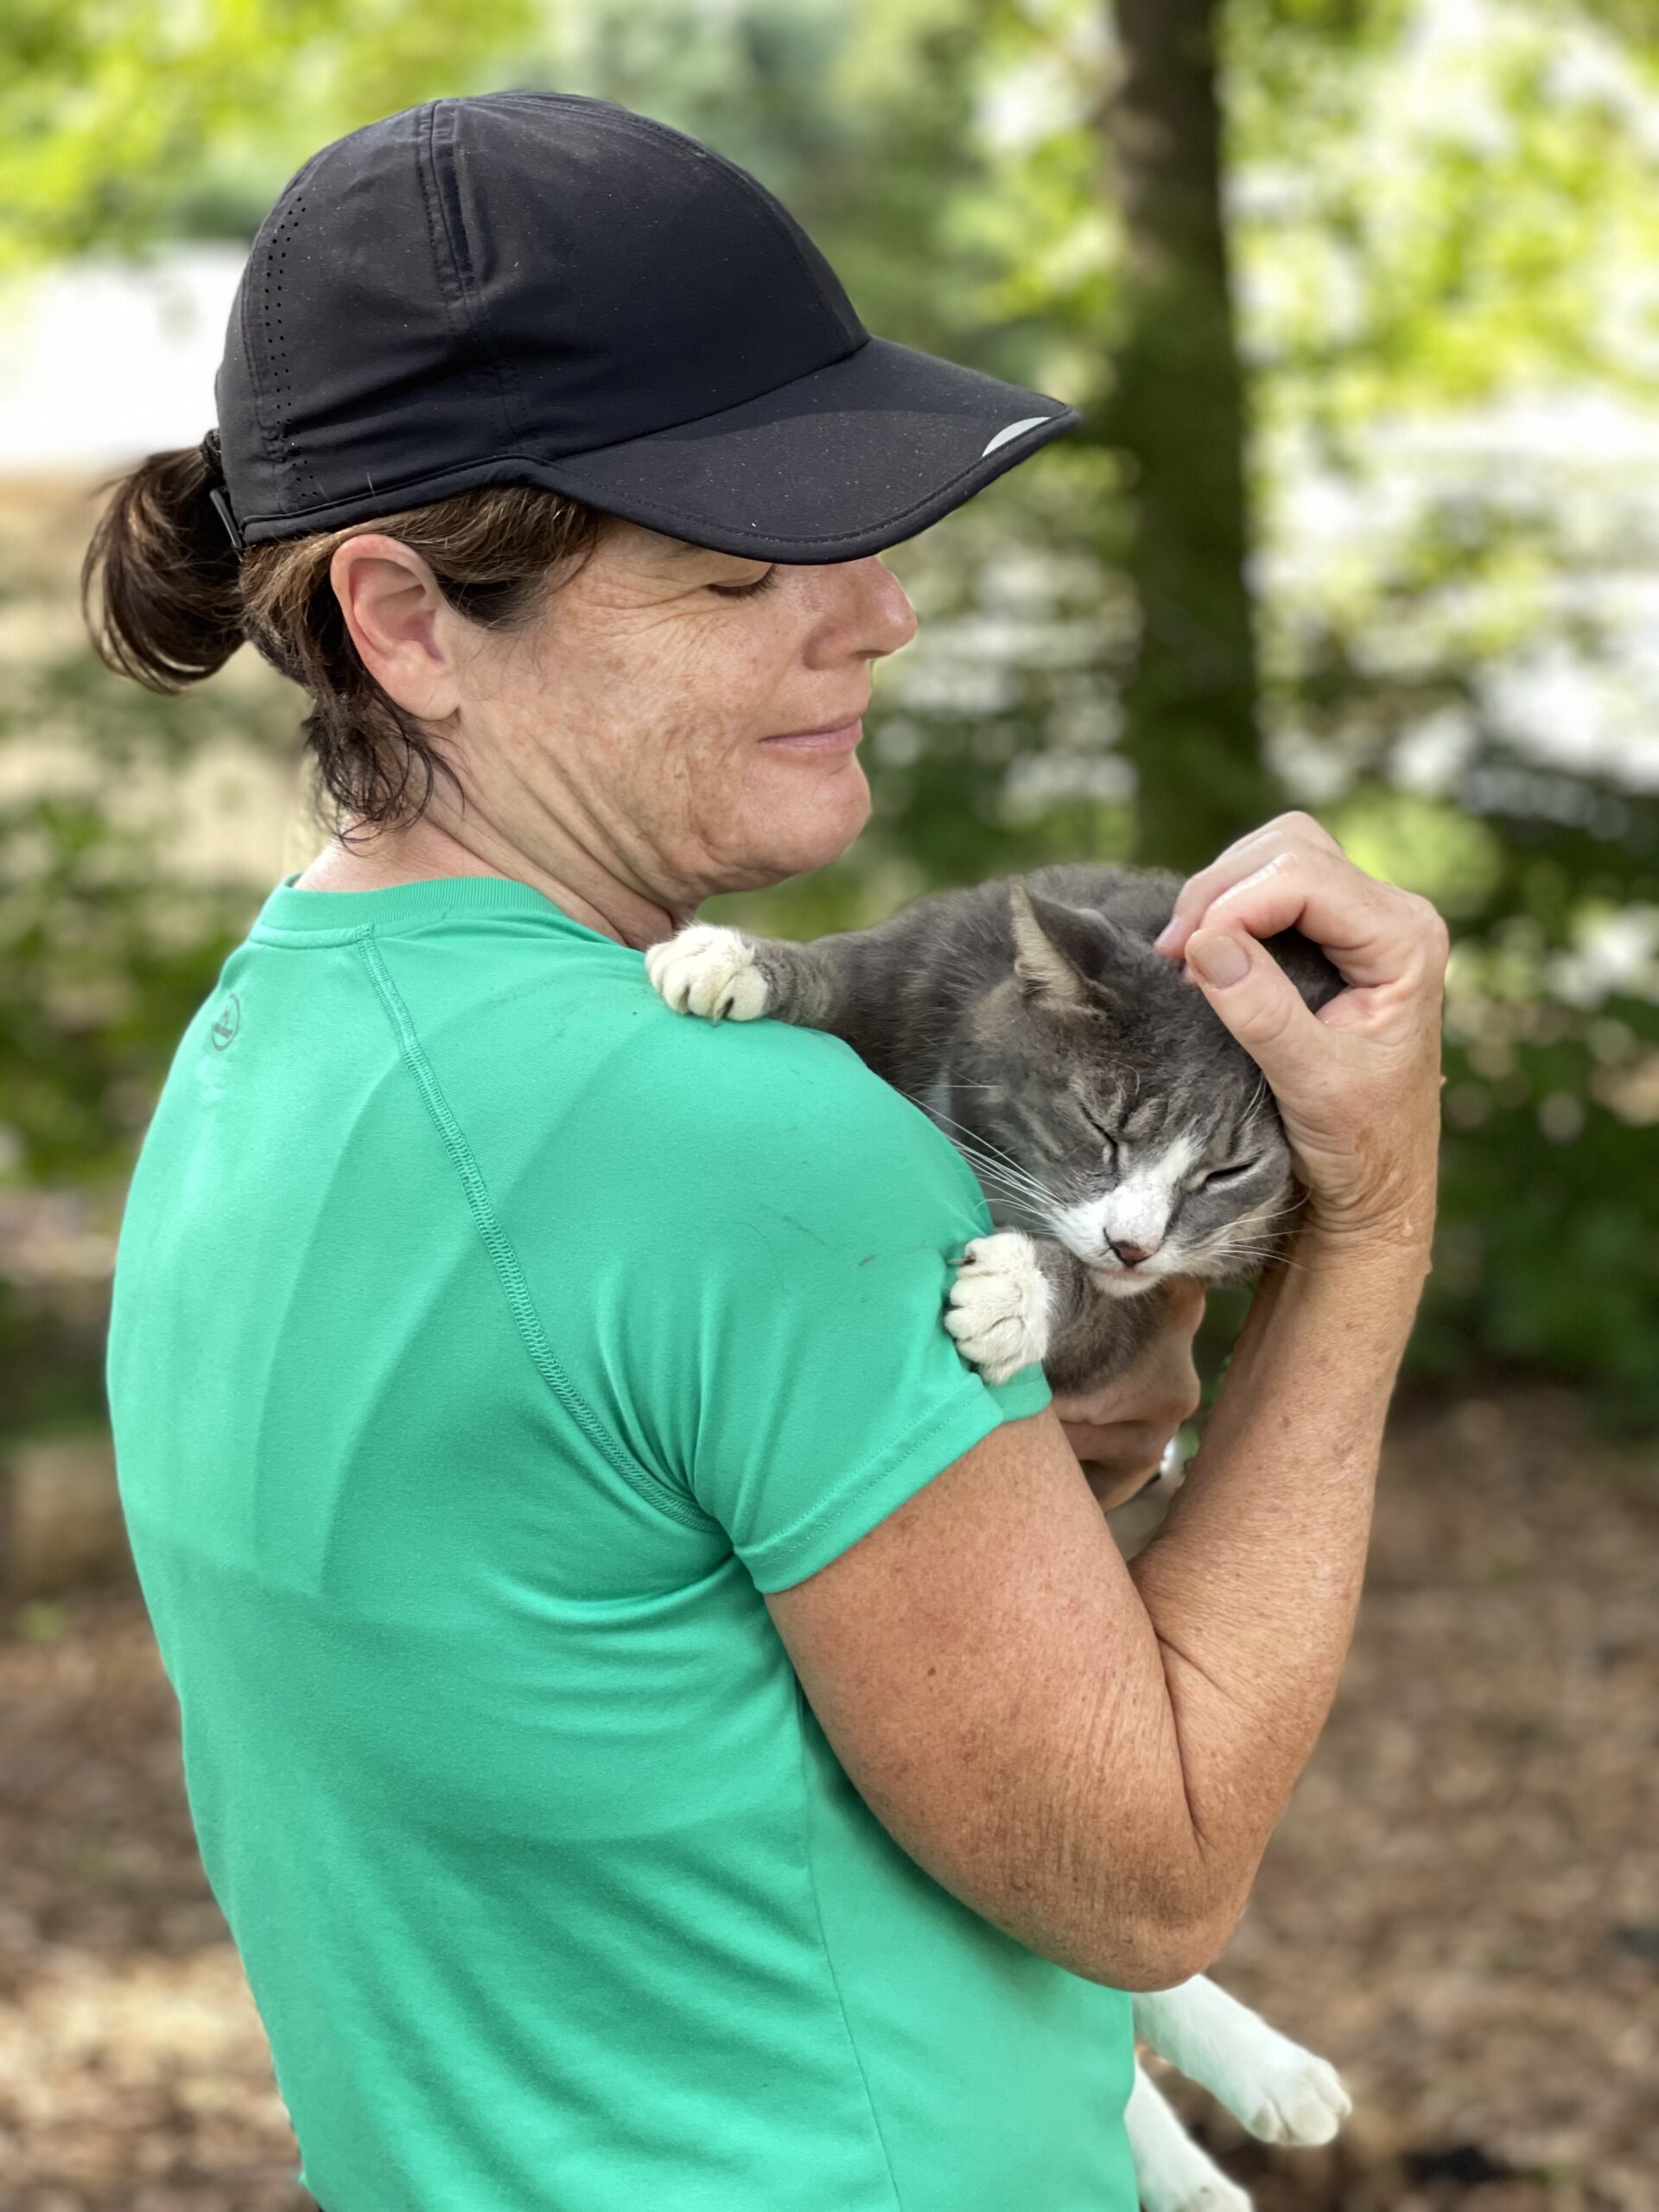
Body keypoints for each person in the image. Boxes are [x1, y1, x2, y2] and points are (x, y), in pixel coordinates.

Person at [89, 92, 1446, 2212]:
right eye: (744, 569)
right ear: (410, 618)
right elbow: (1150, 1867)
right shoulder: (739, 1139)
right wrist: (1367, 1218)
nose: (880, 618)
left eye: (865, 539)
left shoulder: (261, 1048)